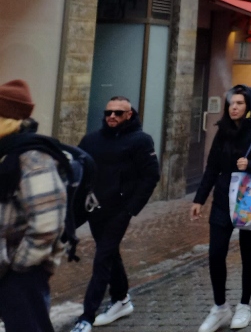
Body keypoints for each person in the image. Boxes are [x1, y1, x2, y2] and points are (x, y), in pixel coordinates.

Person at [191, 86, 251, 332]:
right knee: (216, 254)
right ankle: (220, 307)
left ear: (249, 106)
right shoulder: (223, 133)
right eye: (231, 103)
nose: (234, 107)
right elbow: (211, 168)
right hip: (223, 200)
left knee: (247, 253)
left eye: (240, 103)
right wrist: (199, 199)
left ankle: (244, 305)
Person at [72, 97, 161, 332]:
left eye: (118, 113)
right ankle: (121, 299)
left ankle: (86, 317)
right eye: (108, 112)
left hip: (119, 210)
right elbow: (79, 169)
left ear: (129, 115)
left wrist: (131, 208)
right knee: (110, 254)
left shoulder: (141, 141)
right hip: (95, 209)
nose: (112, 116)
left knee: (102, 258)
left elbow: (151, 176)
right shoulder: (92, 139)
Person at [0, 79, 67, 332]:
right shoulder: (5, 152)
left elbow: (47, 224)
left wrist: (18, 265)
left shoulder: (33, 157)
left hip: (21, 272)